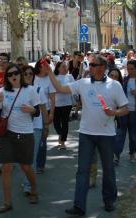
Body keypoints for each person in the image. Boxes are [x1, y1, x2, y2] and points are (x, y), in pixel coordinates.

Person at [46, 55, 129, 214]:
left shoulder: (115, 85)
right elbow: (61, 89)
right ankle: (79, 205)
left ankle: (109, 200)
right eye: (90, 64)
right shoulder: (83, 83)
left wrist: (114, 112)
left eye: (93, 65)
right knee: (82, 170)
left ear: (103, 67)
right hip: (86, 134)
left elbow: (125, 108)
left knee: (108, 169)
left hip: (107, 134)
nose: (90, 67)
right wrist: (50, 72)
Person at [0, 63, 41, 213]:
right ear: (7, 78)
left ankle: (34, 189)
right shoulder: (2, 91)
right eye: (9, 75)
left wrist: (32, 109)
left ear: (20, 74)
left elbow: (37, 112)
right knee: (6, 168)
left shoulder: (31, 90)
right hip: (7, 135)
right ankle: (7, 202)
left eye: (15, 73)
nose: (13, 76)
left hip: (26, 133)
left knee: (25, 167)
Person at [114, 60, 136, 163]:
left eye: (132, 69)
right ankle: (116, 155)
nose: (129, 71)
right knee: (120, 134)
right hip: (123, 111)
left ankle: (132, 154)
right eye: (128, 68)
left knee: (134, 135)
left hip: (135, 112)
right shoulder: (125, 80)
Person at [21, 65, 48, 195]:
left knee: (31, 158)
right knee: (23, 159)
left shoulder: (38, 89)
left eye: (30, 74)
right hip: (20, 129)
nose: (27, 76)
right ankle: (27, 180)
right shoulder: (17, 91)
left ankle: (29, 186)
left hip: (36, 128)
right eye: (25, 74)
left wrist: (46, 126)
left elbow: (43, 109)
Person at [34, 59, 56, 174]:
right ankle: (31, 162)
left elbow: (52, 98)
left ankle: (40, 164)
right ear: (39, 66)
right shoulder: (32, 76)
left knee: (42, 138)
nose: (47, 67)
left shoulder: (49, 80)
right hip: (31, 111)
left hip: (44, 111)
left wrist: (51, 113)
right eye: (45, 65)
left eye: (48, 65)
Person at [53, 61, 75, 150]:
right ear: (58, 68)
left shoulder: (70, 77)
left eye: (66, 66)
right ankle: (61, 134)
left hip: (67, 103)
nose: (65, 68)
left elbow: (74, 88)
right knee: (56, 122)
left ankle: (63, 142)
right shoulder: (54, 77)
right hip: (56, 104)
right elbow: (52, 90)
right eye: (63, 66)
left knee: (65, 122)